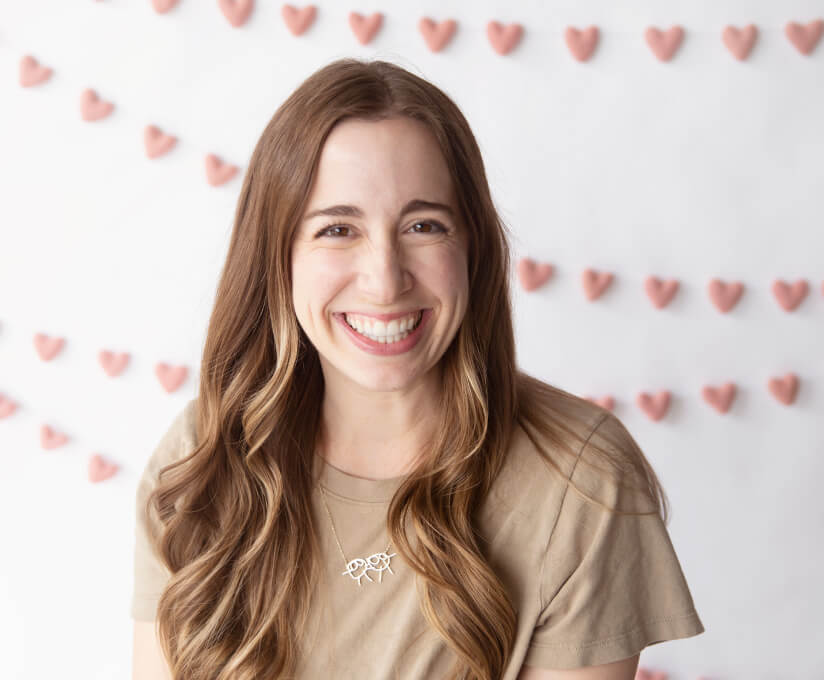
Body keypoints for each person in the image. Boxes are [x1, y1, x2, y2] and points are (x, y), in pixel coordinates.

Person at [131, 57, 705, 680]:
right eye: (337, 229)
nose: (384, 279)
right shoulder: (201, 459)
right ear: (277, 257)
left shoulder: (579, 481)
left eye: (424, 225)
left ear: (473, 248)